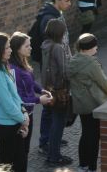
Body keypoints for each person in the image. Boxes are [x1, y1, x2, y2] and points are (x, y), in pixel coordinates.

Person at [0, 32, 29, 172]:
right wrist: (23, 120)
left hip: (14, 122)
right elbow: (7, 103)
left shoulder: (3, 68)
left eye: (10, 47)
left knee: (20, 163)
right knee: (9, 166)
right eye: (7, 48)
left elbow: (14, 95)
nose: (10, 50)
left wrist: (24, 112)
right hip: (5, 125)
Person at [68, 33, 107, 172]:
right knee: (94, 136)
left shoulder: (73, 61)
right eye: (94, 46)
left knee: (85, 133)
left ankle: (83, 164)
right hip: (93, 102)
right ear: (88, 48)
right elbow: (104, 83)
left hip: (80, 103)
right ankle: (92, 167)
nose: (96, 48)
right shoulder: (91, 63)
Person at [9, 32, 53, 170]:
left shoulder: (24, 63)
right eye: (27, 46)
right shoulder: (13, 70)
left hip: (29, 114)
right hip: (19, 116)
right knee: (19, 153)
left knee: (25, 150)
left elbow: (32, 83)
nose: (31, 48)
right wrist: (39, 100)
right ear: (17, 49)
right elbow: (19, 97)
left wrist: (41, 90)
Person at [41, 20, 73, 166]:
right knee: (58, 124)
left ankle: (51, 152)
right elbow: (64, 70)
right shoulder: (58, 47)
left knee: (53, 121)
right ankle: (54, 156)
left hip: (48, 89)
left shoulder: (45, 45)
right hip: (59, 91)